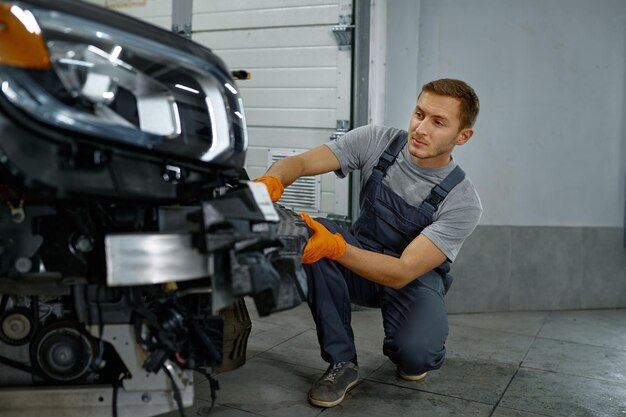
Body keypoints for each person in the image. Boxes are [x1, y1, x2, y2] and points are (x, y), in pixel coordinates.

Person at [253, 78, 482, 408]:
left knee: (417, 355)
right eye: (419, 114)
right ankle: (342, 362)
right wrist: (273, 180)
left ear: (463, 136)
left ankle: (409, 350)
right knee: (316, 233)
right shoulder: (378, 141)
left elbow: (403, 271)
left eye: (438, 122)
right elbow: (301, 163)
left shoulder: (462, 200)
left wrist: (338, 248)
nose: (421, 128)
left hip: (412, 279)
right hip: (359, 257)